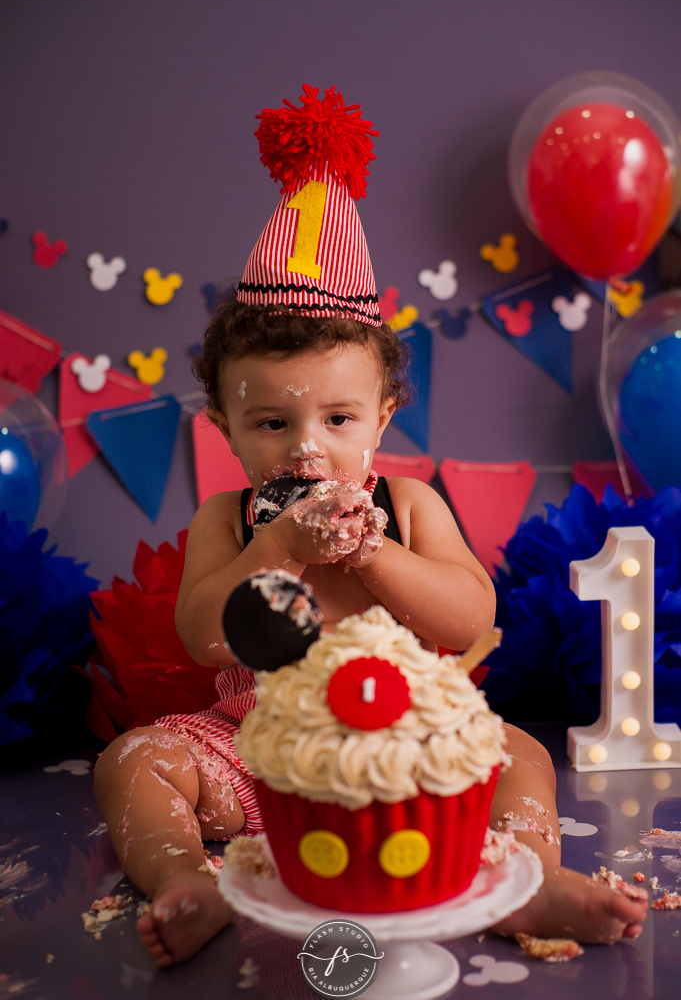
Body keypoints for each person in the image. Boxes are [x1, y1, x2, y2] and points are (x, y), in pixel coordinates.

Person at [93, 84, 648, 969]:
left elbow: (471, 620)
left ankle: (530, 873)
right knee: (136, 756)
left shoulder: (409, 505)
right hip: (264, 752)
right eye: (272, 423)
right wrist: (274, 549)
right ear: (225, 430)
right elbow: (203, 639)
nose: (307, 449)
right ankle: (181, 878)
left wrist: (374, 554)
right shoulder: (226, 519)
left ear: (384, 417)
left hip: (416, 749)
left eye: (338, 421)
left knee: (517, 751)